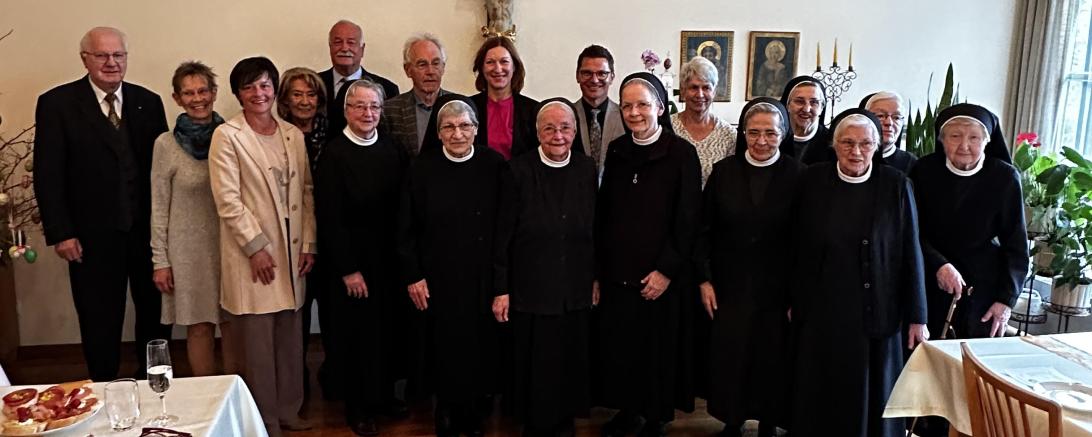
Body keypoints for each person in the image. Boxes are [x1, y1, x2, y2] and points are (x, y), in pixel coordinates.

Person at [33, 26, 172, 381]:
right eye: (102, 55)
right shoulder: (57, 104)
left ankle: (156, 385)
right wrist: (61, 233)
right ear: (85, 59)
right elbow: (48, 174)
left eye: (118, 55)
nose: (111, 63)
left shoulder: (149, 102)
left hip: (146, 236)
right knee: (98, 319)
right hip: (89, 239)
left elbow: (161, 173)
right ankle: (103, 389)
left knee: (155, 317)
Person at [790, 108, 929, 437]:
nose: (856, 152)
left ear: (877, 146)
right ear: (834, 145)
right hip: (824, 306)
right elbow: (796, 245)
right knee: (822, 390)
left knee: (872, 393)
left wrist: (918, 316)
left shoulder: (896, 184)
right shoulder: (813, 179)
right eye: (847, 143)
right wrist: (793, 298)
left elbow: (911, 249)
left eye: (865, 144)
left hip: (877, 305)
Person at [209, 57, 316, 437]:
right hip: (251, 252)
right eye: (250, 87)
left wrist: (309, 244)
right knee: (255, 341)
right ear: (238, 93)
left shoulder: (292, 134)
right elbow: (227, 199)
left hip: (291, 250)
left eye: (265, 85)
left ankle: (289, 410)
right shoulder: (228, 136)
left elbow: (305, 192)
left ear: (275, 89)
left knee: (289, 335)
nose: (259, 93)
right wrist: (255, 247)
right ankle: (262, 419)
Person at [596, 72, 702, 437]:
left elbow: (688, 219)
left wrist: (665, 271)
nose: (635, 112)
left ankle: (656, 416)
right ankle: (628, 410)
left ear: (659, 106)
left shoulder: (681, 154)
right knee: (623, 348)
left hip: (662, 274)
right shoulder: (618, 150)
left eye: (642, 104)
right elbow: (606, 212)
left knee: (657, 351)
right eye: (627, 106)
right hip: (620, 272)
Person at [398, 94, 505, 437]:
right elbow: (405, 228)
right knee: (443, 347)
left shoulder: (494, 166)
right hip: (437, 278)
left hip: (481, 276)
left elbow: (506, 225)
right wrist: (413, 275)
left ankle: (472, 410)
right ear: (438, 133)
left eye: (464, 126)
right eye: (449, 127)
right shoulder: (421, 169)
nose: (457, 134)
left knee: (477, 346)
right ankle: (445, 408)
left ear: (475, 129)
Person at [696, 97, 802, 437]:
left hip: (779, 286)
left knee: (772, 358)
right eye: (753, 132)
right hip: (731, 284)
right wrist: (704, 279)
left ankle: (770, 421)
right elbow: (703, 230)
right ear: (743, 133)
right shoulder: (724, 172)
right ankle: (732, 419)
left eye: (770, 133)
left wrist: (798, 293)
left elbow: (807, 238)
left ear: (783, 134)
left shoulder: (799, 176)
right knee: (733, 356)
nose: (761, 141)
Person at [493, 98, 597, 437]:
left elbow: (595, 227)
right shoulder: (518, 171)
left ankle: (564, 417)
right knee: (535, 359)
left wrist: (595, 277)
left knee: (569, 356)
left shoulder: (585, 168)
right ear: (537, 132)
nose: (558, 135)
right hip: (530, 285)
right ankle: (534, 421)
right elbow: (502, 234)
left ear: (574, 132)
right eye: (549, 128)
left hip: (574, 282)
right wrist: (501, 287)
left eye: (565, 128)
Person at [316, 79, 409, 436]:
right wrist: (348, 269)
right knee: (356, 338)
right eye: (360, 106)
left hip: (388, 262)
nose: (368, 113)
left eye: (374, 107)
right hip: (354, 266)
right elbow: (330, 219)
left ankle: (384, 396)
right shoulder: (335, 155)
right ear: (346, 111)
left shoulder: (391, 149)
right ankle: (359, 406)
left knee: (387, 333)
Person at [910, 104, 1027, 341]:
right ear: (942, 140)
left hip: (983, 290)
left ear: (987, 141)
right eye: (955, 136)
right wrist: (939, 265)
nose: (964, 146)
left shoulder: (1004, 177)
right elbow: (910, 230)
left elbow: (1015, 244)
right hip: (929, 282)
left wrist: (1005, 300)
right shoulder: (923, 171)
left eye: (974, 137)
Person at [150, 61, 237, 377]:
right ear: (177, 98)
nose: (197, 98)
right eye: (188, 93)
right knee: (199, 326)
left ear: (214, 93)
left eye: (203, 90)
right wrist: (160, 260)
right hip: (187, 252)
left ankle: (234, 400)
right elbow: (158, 206)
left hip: (230, 247)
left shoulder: (232, 136)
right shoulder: (165, 144)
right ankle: (207, 400)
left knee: (232, 325)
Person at [276, 66, 337, 399]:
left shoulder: (334, 133)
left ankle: (332, 376)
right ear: (284, 100)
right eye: (297, 94)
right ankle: (294, 383)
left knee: (331, 313)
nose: (304, 101)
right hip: (293, 239)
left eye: (311, 94)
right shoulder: (278, 134)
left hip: (331, 237)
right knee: (295, 316)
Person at [434, 36, 537, 160]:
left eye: (504, 61)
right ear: (481, 68)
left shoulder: (533, 110)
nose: (498, 69)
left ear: (514, 67)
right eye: (490, 62)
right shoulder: (467, 109)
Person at [319, 20, 399, 133]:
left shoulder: (388, 89)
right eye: (338, 42)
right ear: (330, 47)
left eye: (351, 42)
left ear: (362, 49)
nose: (344, 48)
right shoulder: (314, 85)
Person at [671, 56, 737, 186]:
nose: (700, 94)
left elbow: (731, 182)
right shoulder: (669, 127)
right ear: (683, 91)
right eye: (694, 87)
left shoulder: (729, 134)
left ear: (714, 92)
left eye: (706, 88)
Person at [383, 33, 451, 158]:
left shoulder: (457, 105)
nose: (430, 71)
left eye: (436, 63)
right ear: (408, 70)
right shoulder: (390, 111)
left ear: (443, 68)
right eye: (422, 64)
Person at [573, 45, 625, 174]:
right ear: (577, 76)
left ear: (612, 77)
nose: (594, 80)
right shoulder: (567, 116)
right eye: (587, 73)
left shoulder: (626, 117)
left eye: (602, 73)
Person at [859, 92, 917, 173]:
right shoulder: (850, 157)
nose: (889, 123)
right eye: (880, 116)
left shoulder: (912, 164)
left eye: (896, 117)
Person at [779, 76, 829, 164]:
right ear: (787, 105)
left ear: (822, 108)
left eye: (814, 102)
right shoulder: (774, 138)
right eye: (799, 101)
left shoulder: (832, 142)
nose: (806, 109)